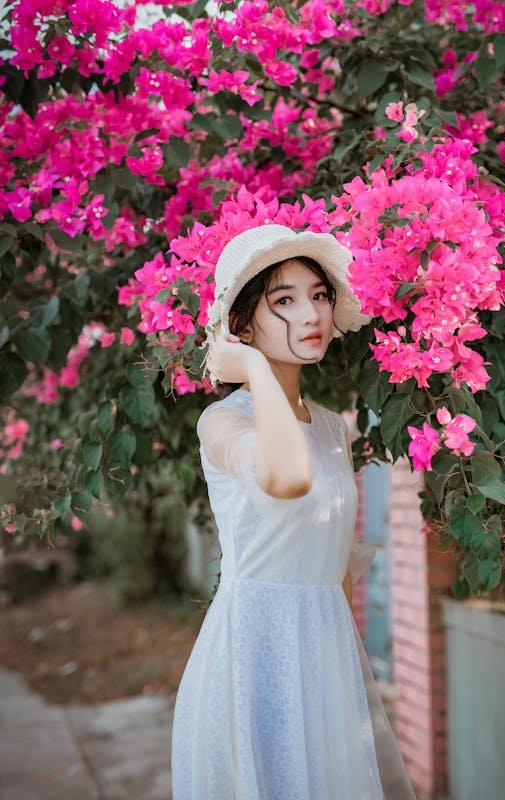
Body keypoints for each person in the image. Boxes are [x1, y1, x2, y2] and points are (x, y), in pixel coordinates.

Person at [171, 224, 417, 799]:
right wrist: (256, 370)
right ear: (242, 326)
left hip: (324, 648)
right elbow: (286, 477)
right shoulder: (223, 421)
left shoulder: (332, 426)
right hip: (253, 651)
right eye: (283, 300)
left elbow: (331, 563)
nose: (311, 313)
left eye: (320, 294)